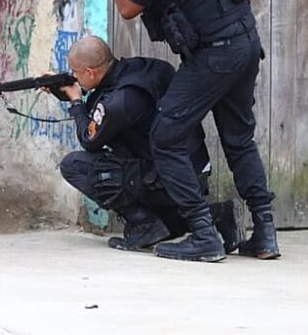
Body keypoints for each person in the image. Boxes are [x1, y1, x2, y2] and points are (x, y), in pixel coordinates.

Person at [92, 0, 280, 262]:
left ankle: (204, 234)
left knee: (165, 136)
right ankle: (265, 232)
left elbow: (128, 6)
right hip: (244, 45)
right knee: (239, 139)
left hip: (214, 56)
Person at [50, 36, 243, 253]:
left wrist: (76, 102)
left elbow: (89, 140)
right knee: (167, 224)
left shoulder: (118, 102)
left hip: (166, 178)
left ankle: (144, 224)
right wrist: (65, 91)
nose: (74, 77)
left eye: (76, 72)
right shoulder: (147, 69)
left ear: (90, 72)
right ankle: (219, 215)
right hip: (192, 169)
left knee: (74, 165)